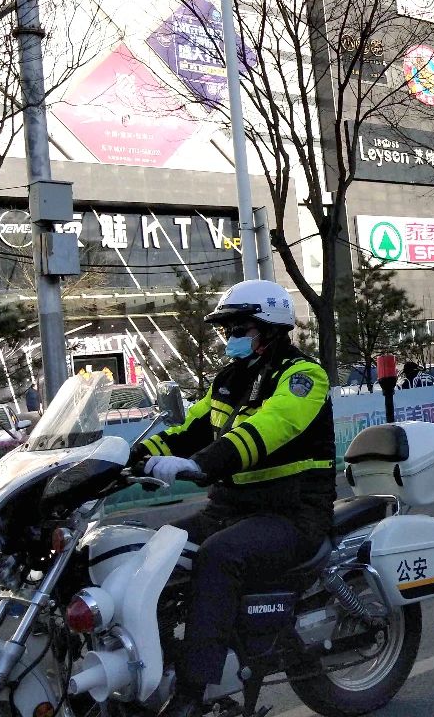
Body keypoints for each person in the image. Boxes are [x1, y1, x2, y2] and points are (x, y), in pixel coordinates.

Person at [129, 279, 334, 717]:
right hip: (232, 509)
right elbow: (192, 429)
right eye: (228, 330)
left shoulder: (302, 376)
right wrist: (130, 458)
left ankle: (192, 694)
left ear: (269, 328)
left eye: (239, 328)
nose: (231, 338)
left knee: (218, 558)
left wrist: (203, 464)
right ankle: (151, 663)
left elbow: (270, 428)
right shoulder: (230, 379)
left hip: (291, 513)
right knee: (154, 549)